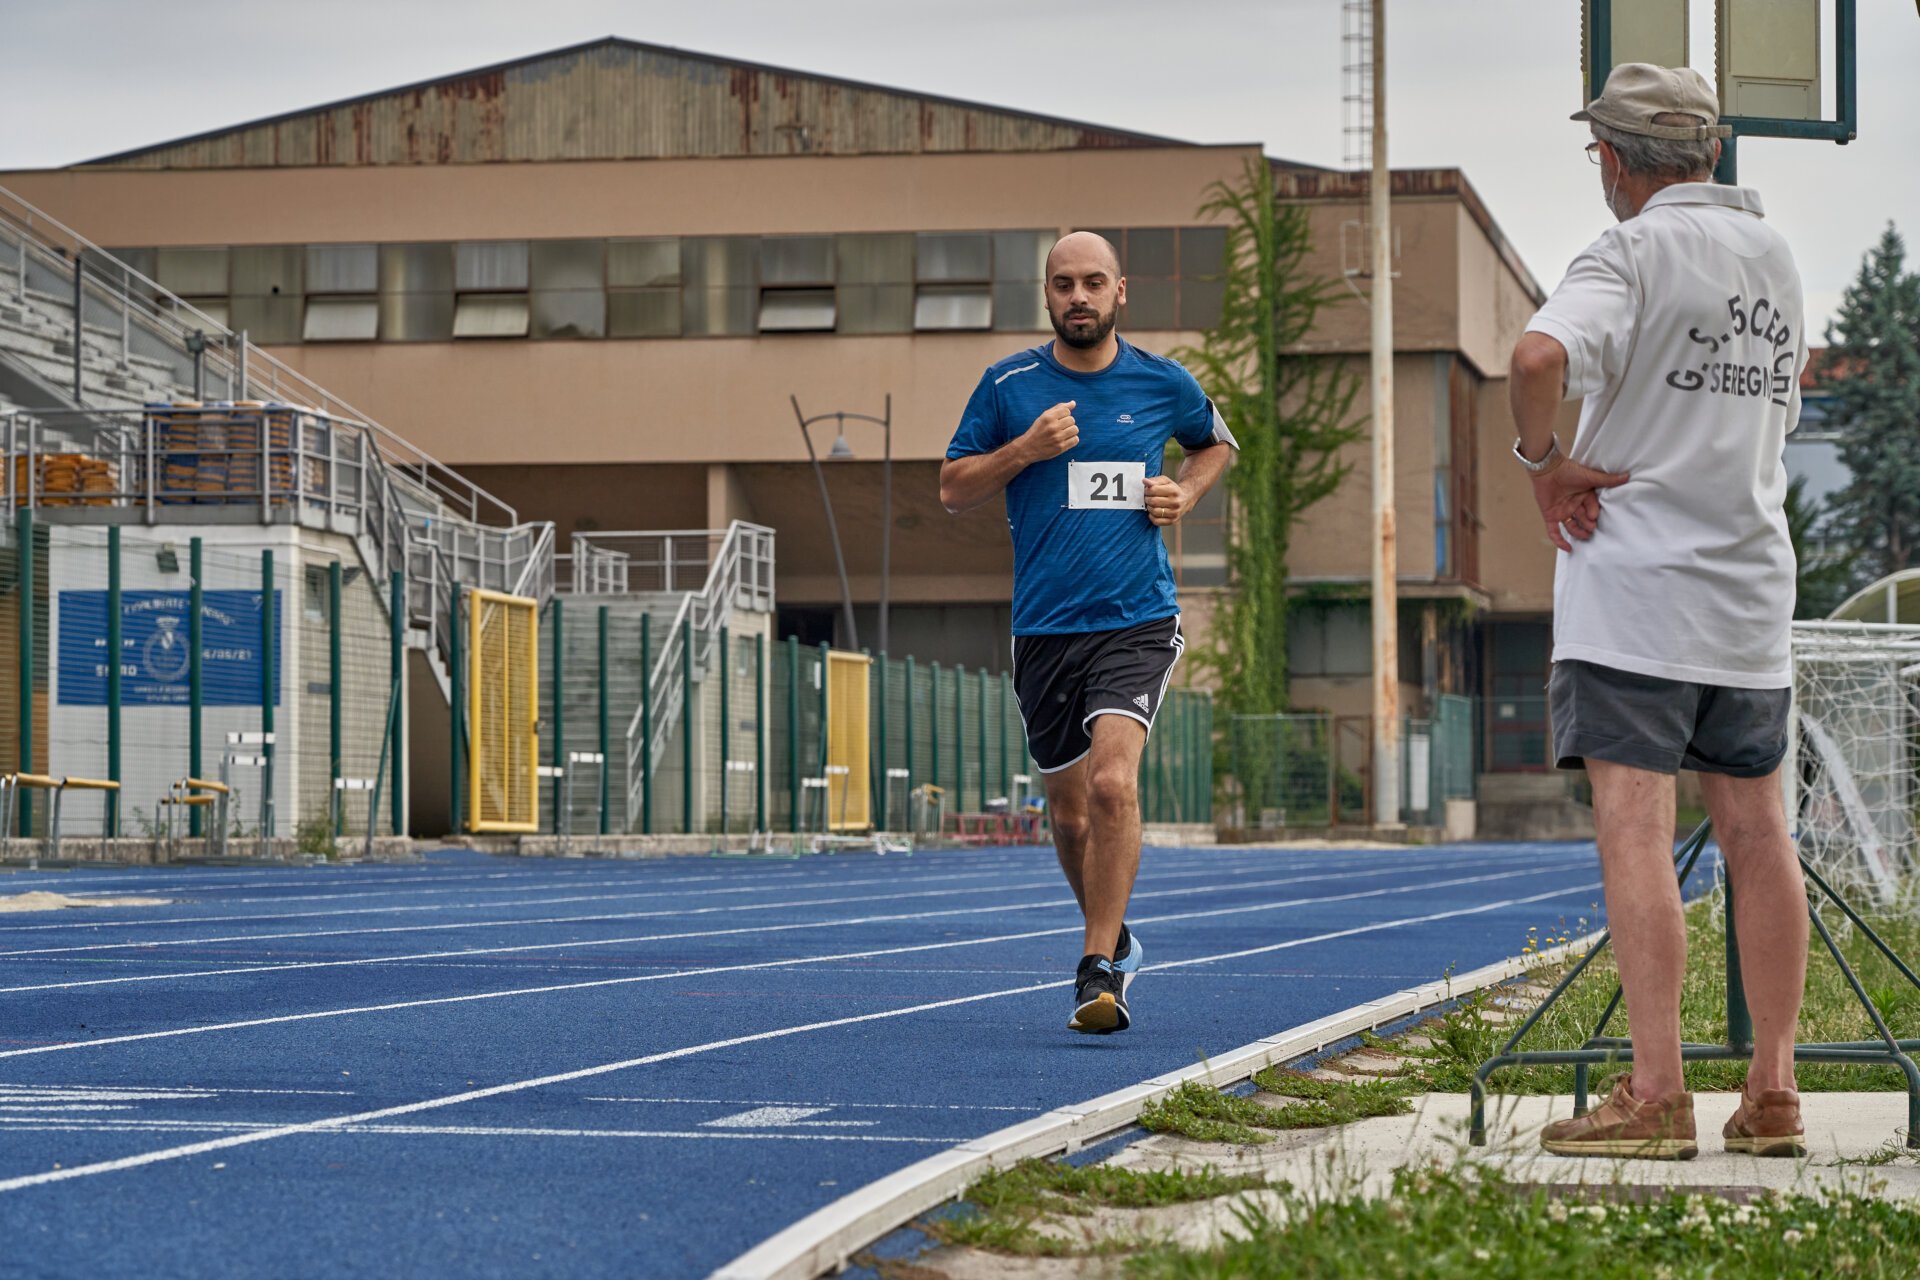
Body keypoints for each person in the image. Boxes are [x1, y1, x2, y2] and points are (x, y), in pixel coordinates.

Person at [1510, 64, 1811, 1159]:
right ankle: (1773, 1090)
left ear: (1616, 160)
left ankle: (1655, 1090)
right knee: (1758, 832)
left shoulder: (1629, 252)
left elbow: (1537, 354)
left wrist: (1545, 464)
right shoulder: (1774, 258)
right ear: (1711, 151)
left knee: (1636, 829)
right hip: (1749, 593)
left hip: (1634, 590)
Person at [940, 231, 1236, 1034]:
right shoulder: (1008, 386)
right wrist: (1024, 450)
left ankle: (1096, 967)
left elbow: (1217, 443)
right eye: (1064, 283)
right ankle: (1117, 937)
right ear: (1048, 296)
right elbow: (953, 486)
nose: (1079, 296)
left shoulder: (1161, 380)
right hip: (1044, 627)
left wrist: (1184, 491)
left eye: (1093, 282)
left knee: (1112, 785)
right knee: (1070, 818)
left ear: (1119, 292)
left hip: (1136, 617)